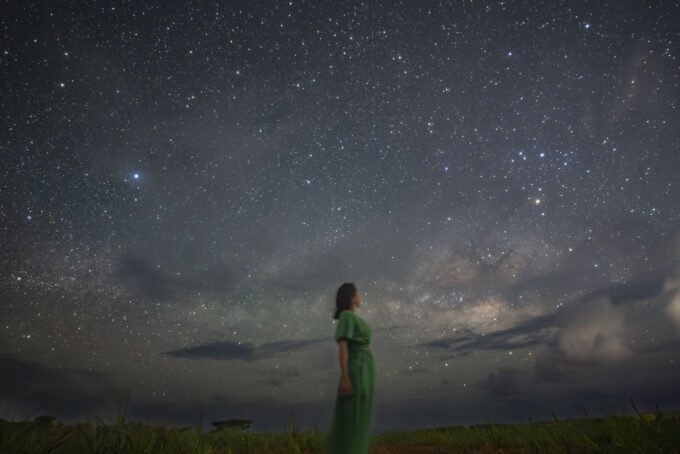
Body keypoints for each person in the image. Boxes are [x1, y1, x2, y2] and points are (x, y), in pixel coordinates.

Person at [325, 283, 375, 454]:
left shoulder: (353, 318)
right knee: (353, 414)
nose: (360, 295)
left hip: (365, 368)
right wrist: (345, 377)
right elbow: (343, 346)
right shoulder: (346, 316)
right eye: (358, 292)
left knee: (361, 415)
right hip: (357, 368)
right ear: (352, 297)